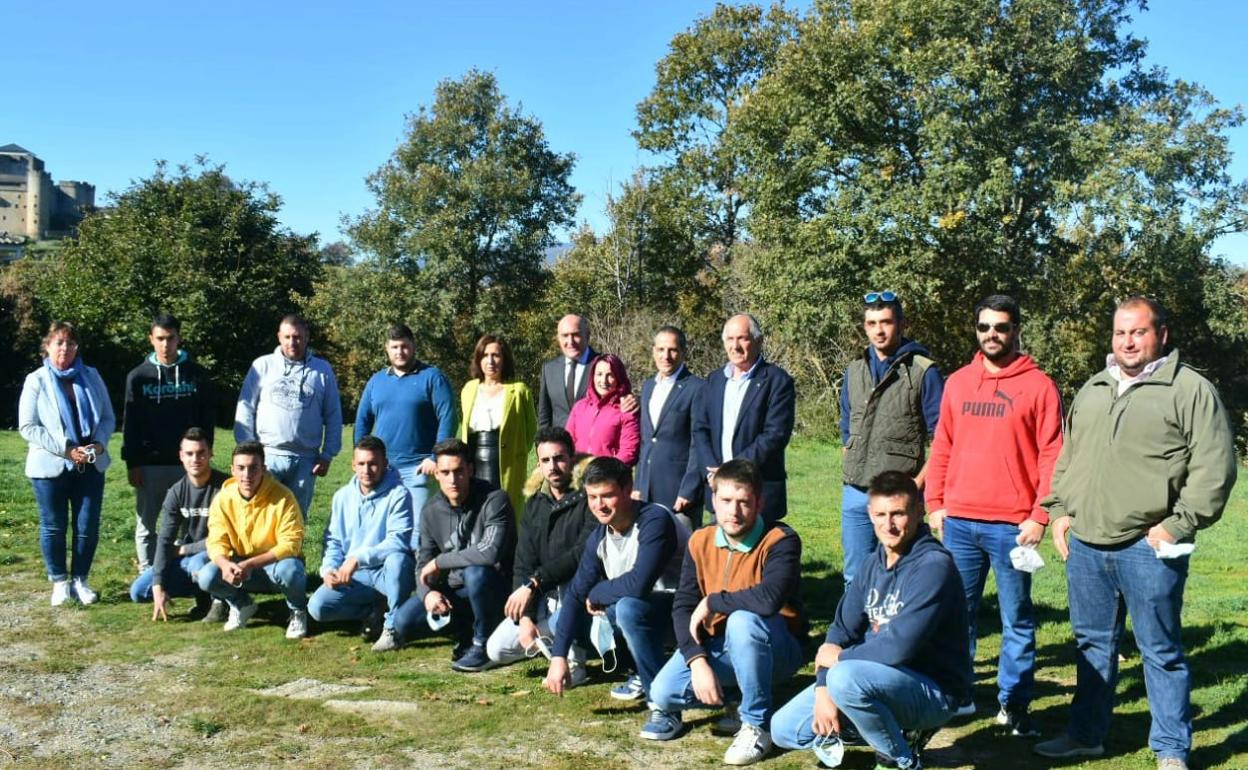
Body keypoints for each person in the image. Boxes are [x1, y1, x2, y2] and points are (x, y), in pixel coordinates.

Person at [1035, 297, 1237, 770]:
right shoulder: (1095, 387)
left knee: (1160, 652)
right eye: (1120, 332)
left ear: (1161, 335)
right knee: (1091, 646)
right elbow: (1070, 458)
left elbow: (1215, 468)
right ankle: (1086, 736)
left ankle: (1170, 750)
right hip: (1086, 545)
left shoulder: (1189, 389)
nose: (1128, 341)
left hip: (1149, 549)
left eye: (1138, 332)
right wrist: (1061, 510)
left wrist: (1177, 524)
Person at [924, 294, 1063, 733]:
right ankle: (960, 695)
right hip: (959, 522)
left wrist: (1040, 515)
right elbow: (942, 445)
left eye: (1001, 327)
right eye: (984, 327)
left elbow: (1052, 456)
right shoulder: (959, 383)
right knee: (955, 616)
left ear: (1017, 329)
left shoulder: (1039, 385)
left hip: (1012, 527)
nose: (992, 335)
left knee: (1016, 619)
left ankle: (1014, 705)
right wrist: (935, 504)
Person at [771, 471, 971, 770]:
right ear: (870, 514)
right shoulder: (872, 563)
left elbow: (897, 647)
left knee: (846, 679)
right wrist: (824, 689)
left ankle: (899, 760)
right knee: (784, 729)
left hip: (933, 689)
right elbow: (841, 629)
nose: (888, 525)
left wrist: (837, 661)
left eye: (898, 514)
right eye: (880, 514)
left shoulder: (933, 567)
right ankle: (897, 732)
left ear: (919, 511)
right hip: (871, 679)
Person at [643, 459, 806, 766]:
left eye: (744, 502)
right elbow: (683, 606)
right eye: (726, 501)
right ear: (713, 500)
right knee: (662, 694)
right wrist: (697, 660)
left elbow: (769, 599)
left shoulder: (781, 540)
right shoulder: (700, 540)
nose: (734, 511)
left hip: (779, 646)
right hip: (719, 645)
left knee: (744, 621)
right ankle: (736, 695)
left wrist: (714, 602)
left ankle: (756, 723)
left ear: (759, 503)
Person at [543, 457, 687, 706]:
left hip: (680, 614)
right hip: (639, 614)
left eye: (607, 495)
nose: (599, 505)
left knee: (626, 607)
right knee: (561, 619)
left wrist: (597, 591)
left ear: (628, 489)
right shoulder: (599, 536)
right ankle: (636, 668)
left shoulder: (654, 520)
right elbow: (577, 595)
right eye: (592, 497)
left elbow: (638, 584)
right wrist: (559, 657)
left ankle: (661, 705)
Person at [840, 291, 943, 585]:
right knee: (855, 576)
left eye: (885, 322)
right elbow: (846, 426)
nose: (879, 330)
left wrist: (917, 483)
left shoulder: (924, 371)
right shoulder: (854, 369)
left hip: (900, 492)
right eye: (871, 323)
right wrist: (849, 460)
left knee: (900, 572)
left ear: (901, 324)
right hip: (856, 492)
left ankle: (898, 631)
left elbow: (943, 438)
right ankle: (857, 631)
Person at [390, 439, 517, 672]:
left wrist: (440, 562)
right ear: (436, 474)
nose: (452, 479)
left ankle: (483, 642)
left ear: (470, 469)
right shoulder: (430, 511)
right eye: (445, 472)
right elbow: (422, 565)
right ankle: (466, 628)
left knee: (476, 572)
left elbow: (489, 553)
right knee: (403, 621)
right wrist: (428, 594)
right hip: (456, 591)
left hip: (494, 588)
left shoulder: (495, 499)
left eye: (458, 471)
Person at [18, 321, 115, 606]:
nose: (65, 349)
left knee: (87, 526)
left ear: (77, 348)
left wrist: (98, 443)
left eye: (70, 344)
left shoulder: (92, 376)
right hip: (51, 466)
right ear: (47, 346)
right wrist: (66, 449)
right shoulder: (36, 380)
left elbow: (108, 417)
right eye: (59, 343)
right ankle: (59, 581)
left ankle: (80, 581)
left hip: (90, 463)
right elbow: (27, 427)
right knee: (54, 525)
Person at [485, 427, 595, 677]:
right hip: (544, 596)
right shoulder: (534, 504)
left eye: (559, 458)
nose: (553, 467)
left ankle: (575, 659)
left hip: (580, 593)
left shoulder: (589, 497)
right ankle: (553, 640)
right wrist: (525, 617)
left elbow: (581, 553)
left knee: (573, 583)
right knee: (497, 650)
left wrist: (534, 582)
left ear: (571, 457)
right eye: (545, 460)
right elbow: (523, 562)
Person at [122, 313, 216, 574]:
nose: (166, 345)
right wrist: (134, 462)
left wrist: (205, 454)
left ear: (179, 338)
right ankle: (147, 574)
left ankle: (184, 572)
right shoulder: (138, 377)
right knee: (147, 524)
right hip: (150, 464)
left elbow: (207, 417)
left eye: (171, 338)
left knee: (191, 522)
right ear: (151, 339)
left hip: (188, 464)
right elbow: (131, 423)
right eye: (160, 339)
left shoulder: (196, 374)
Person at [309, 436, 415, 653]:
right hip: (354, 575)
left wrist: (357, 559)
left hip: (386, 571)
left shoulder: (399, 494)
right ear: (353, 465)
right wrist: (328, 569)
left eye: (373, 463)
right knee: (318, 608)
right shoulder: (342, 497)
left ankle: (392, 628)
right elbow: (333, 540)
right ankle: (374, 610)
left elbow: (398, 540)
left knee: (399, 558)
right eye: (361, 464)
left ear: (385, 464)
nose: (367, 470)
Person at [235, 314, 342, 519]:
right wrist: (248, 450)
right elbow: (245, 407)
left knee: (296, 518)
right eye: (287, 337)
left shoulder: (322, 370)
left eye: (297, 337)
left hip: (306, 459)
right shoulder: (262, 366)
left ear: (307, 337)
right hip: (268, 456)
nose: (292, 342)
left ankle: (291, 553)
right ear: (279, 337)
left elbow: (333, 414)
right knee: (262, 516)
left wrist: (327, 454)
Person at [198, 441, 308, 639]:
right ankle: (242, 604)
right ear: (232, 470)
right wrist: (224, 565)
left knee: (291, 570)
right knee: (206, 575)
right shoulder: (223, 499)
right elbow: (215, 540)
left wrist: (251, 564)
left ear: (263, 469)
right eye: (240, 468)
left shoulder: (284, 497)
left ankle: (298, 610)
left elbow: (291, 543)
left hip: (275, 566)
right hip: (240, 567)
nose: (246, 475)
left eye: (253, 468)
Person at [693, 314, 795, 523]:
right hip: (719, 490)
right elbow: (700, 429)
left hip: (758, 491)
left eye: (742, 338)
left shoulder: (777, 381)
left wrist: (732, 470)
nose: (735, 346)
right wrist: (712, 473)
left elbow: (775, 435)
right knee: (721, 552)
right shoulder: (714, 381)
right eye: (730, 339)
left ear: (758, 341)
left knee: (757, 553)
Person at [354, 323, 456, 529]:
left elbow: (448, 417)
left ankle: (422, 562)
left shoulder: (433, 377)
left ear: (413, 346)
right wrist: (361, 457)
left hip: (419, 469)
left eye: (404, 346)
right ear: (387, 349)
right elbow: (363, 420)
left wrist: (435, 457)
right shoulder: (376, 381)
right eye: (394, 347)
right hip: (383, 469)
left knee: (418, 532)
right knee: (382, 528)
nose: (399, 352)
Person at [128, 428, 228, 622]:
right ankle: (202, 594)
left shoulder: (225, 487)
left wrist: (184, 549)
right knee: (139, 591)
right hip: (189, 557)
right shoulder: (176, 492)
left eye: (201, 453)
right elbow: (165, 540)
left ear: (210, 454)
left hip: (221, 553)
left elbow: (230, 538)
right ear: (181, 456)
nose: (195, 459)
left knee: (198, 563)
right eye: (189, 454)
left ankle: (221, 599)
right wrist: (158, 586)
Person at [456, 333, 537, 516]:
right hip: (474, 464)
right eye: (485, 355)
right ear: (478, 359)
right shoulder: (469, 390)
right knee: (477, 514)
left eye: (496, 355)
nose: (490, 361)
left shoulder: (519, 391)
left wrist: (515, 453)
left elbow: (531, 431)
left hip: (507, 466)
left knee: (506, 515)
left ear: (504, 359)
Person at [634, 325, 705, 529]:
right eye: (661, 349)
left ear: (683, 352)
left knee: (682, 554)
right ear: (653, 351)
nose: (666, 356)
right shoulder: (648, 387)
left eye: (672, 350)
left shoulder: (697, 388)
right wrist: (639, 484)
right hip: (647, 491)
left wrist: (689, 490)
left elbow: (698, 443)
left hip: (678, 492)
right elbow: (646, 441)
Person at [565, 353, 641, 466]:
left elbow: (629, 451)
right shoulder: (580, 407)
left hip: (608, 478)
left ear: (618, 378)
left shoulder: (626, 409)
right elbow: (567, 440)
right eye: (599, 374)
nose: (603, 380)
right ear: (593, 377)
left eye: (610, 375)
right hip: (577, 474)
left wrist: (605, 473)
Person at [537, 314, 597, 430]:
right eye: (565, 336)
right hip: (559, 444)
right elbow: (544, 415)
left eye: (576, 335)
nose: (570, 341)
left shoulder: (603, 365)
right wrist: (543, 443)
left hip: (592, 445)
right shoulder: (549, 369)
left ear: (587, 335)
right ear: (558, 338)